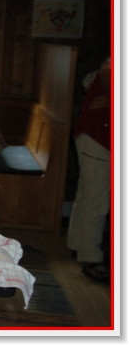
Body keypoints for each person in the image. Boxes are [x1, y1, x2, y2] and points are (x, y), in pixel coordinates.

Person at [67, 57, 111, 282]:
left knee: (87, 197)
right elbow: (107, 66)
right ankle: (91, 257)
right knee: (97, 201)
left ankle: (79, 245)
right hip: (98, 137)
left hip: (94, 136)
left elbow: (88, 81)